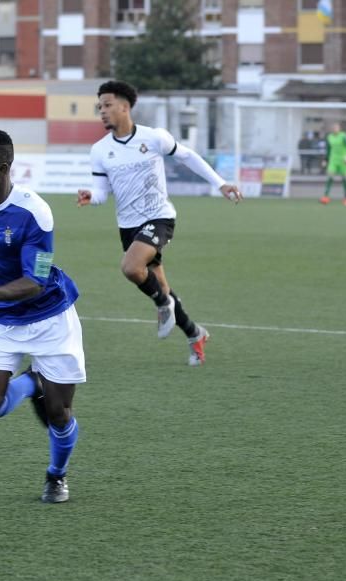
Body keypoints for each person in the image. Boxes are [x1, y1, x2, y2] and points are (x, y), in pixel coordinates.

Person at [0, 129, 85, 503]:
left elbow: (36, 282)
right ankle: (31, 384)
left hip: (49, 317)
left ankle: (56, 475)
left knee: (58, 414)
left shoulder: (33, 212)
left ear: (2, 169)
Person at [76, 80, 242, 367]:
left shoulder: (154, 137)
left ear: (125, 107)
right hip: (128, 227)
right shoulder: (100, 151)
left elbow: (188, 157)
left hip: (159, 218)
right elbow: (102, 192)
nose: (101, 111)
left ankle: (162, 304)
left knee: (131, 268)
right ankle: (195, 333)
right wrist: (92, 196)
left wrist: (220, 184)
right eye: (99, 107)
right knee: (160, 284)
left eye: (107, 105)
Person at [320, 122, 346, 206]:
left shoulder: (343, 136)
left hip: (343, 160)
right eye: (333, 128)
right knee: (330, 175)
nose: (335, 129)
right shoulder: (330, 137)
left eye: (336, 127)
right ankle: (326, 197)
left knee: (344, 178)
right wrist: (325, 160)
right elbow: (328, 150)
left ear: (339, 128)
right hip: (333, 160)